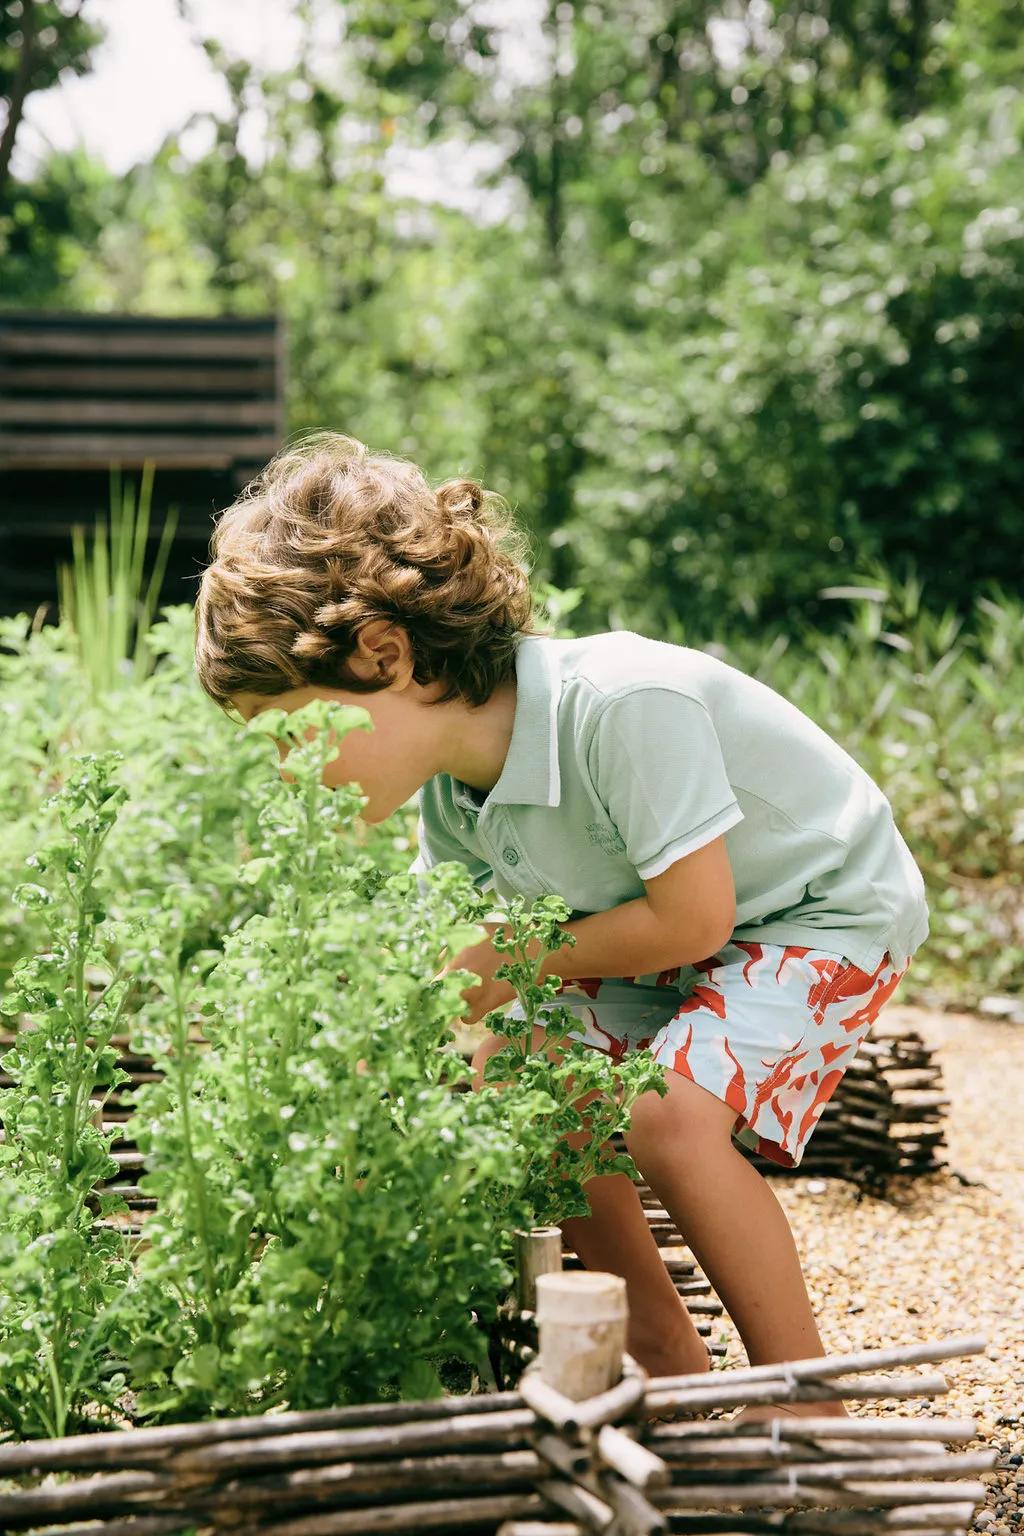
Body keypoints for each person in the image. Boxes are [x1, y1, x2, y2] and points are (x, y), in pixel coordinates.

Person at [194, 431, 928, 1423]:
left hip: (819, 905)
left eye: (290, 729)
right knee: (520, 1068)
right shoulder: (451, 799)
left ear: (383, 655)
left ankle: (803, 1400)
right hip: (672, 928)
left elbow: (693, 915)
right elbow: (455, 977)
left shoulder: (619, 704)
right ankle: (662, 1345)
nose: (289, 769)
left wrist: (504, 957)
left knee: (666, 1114)